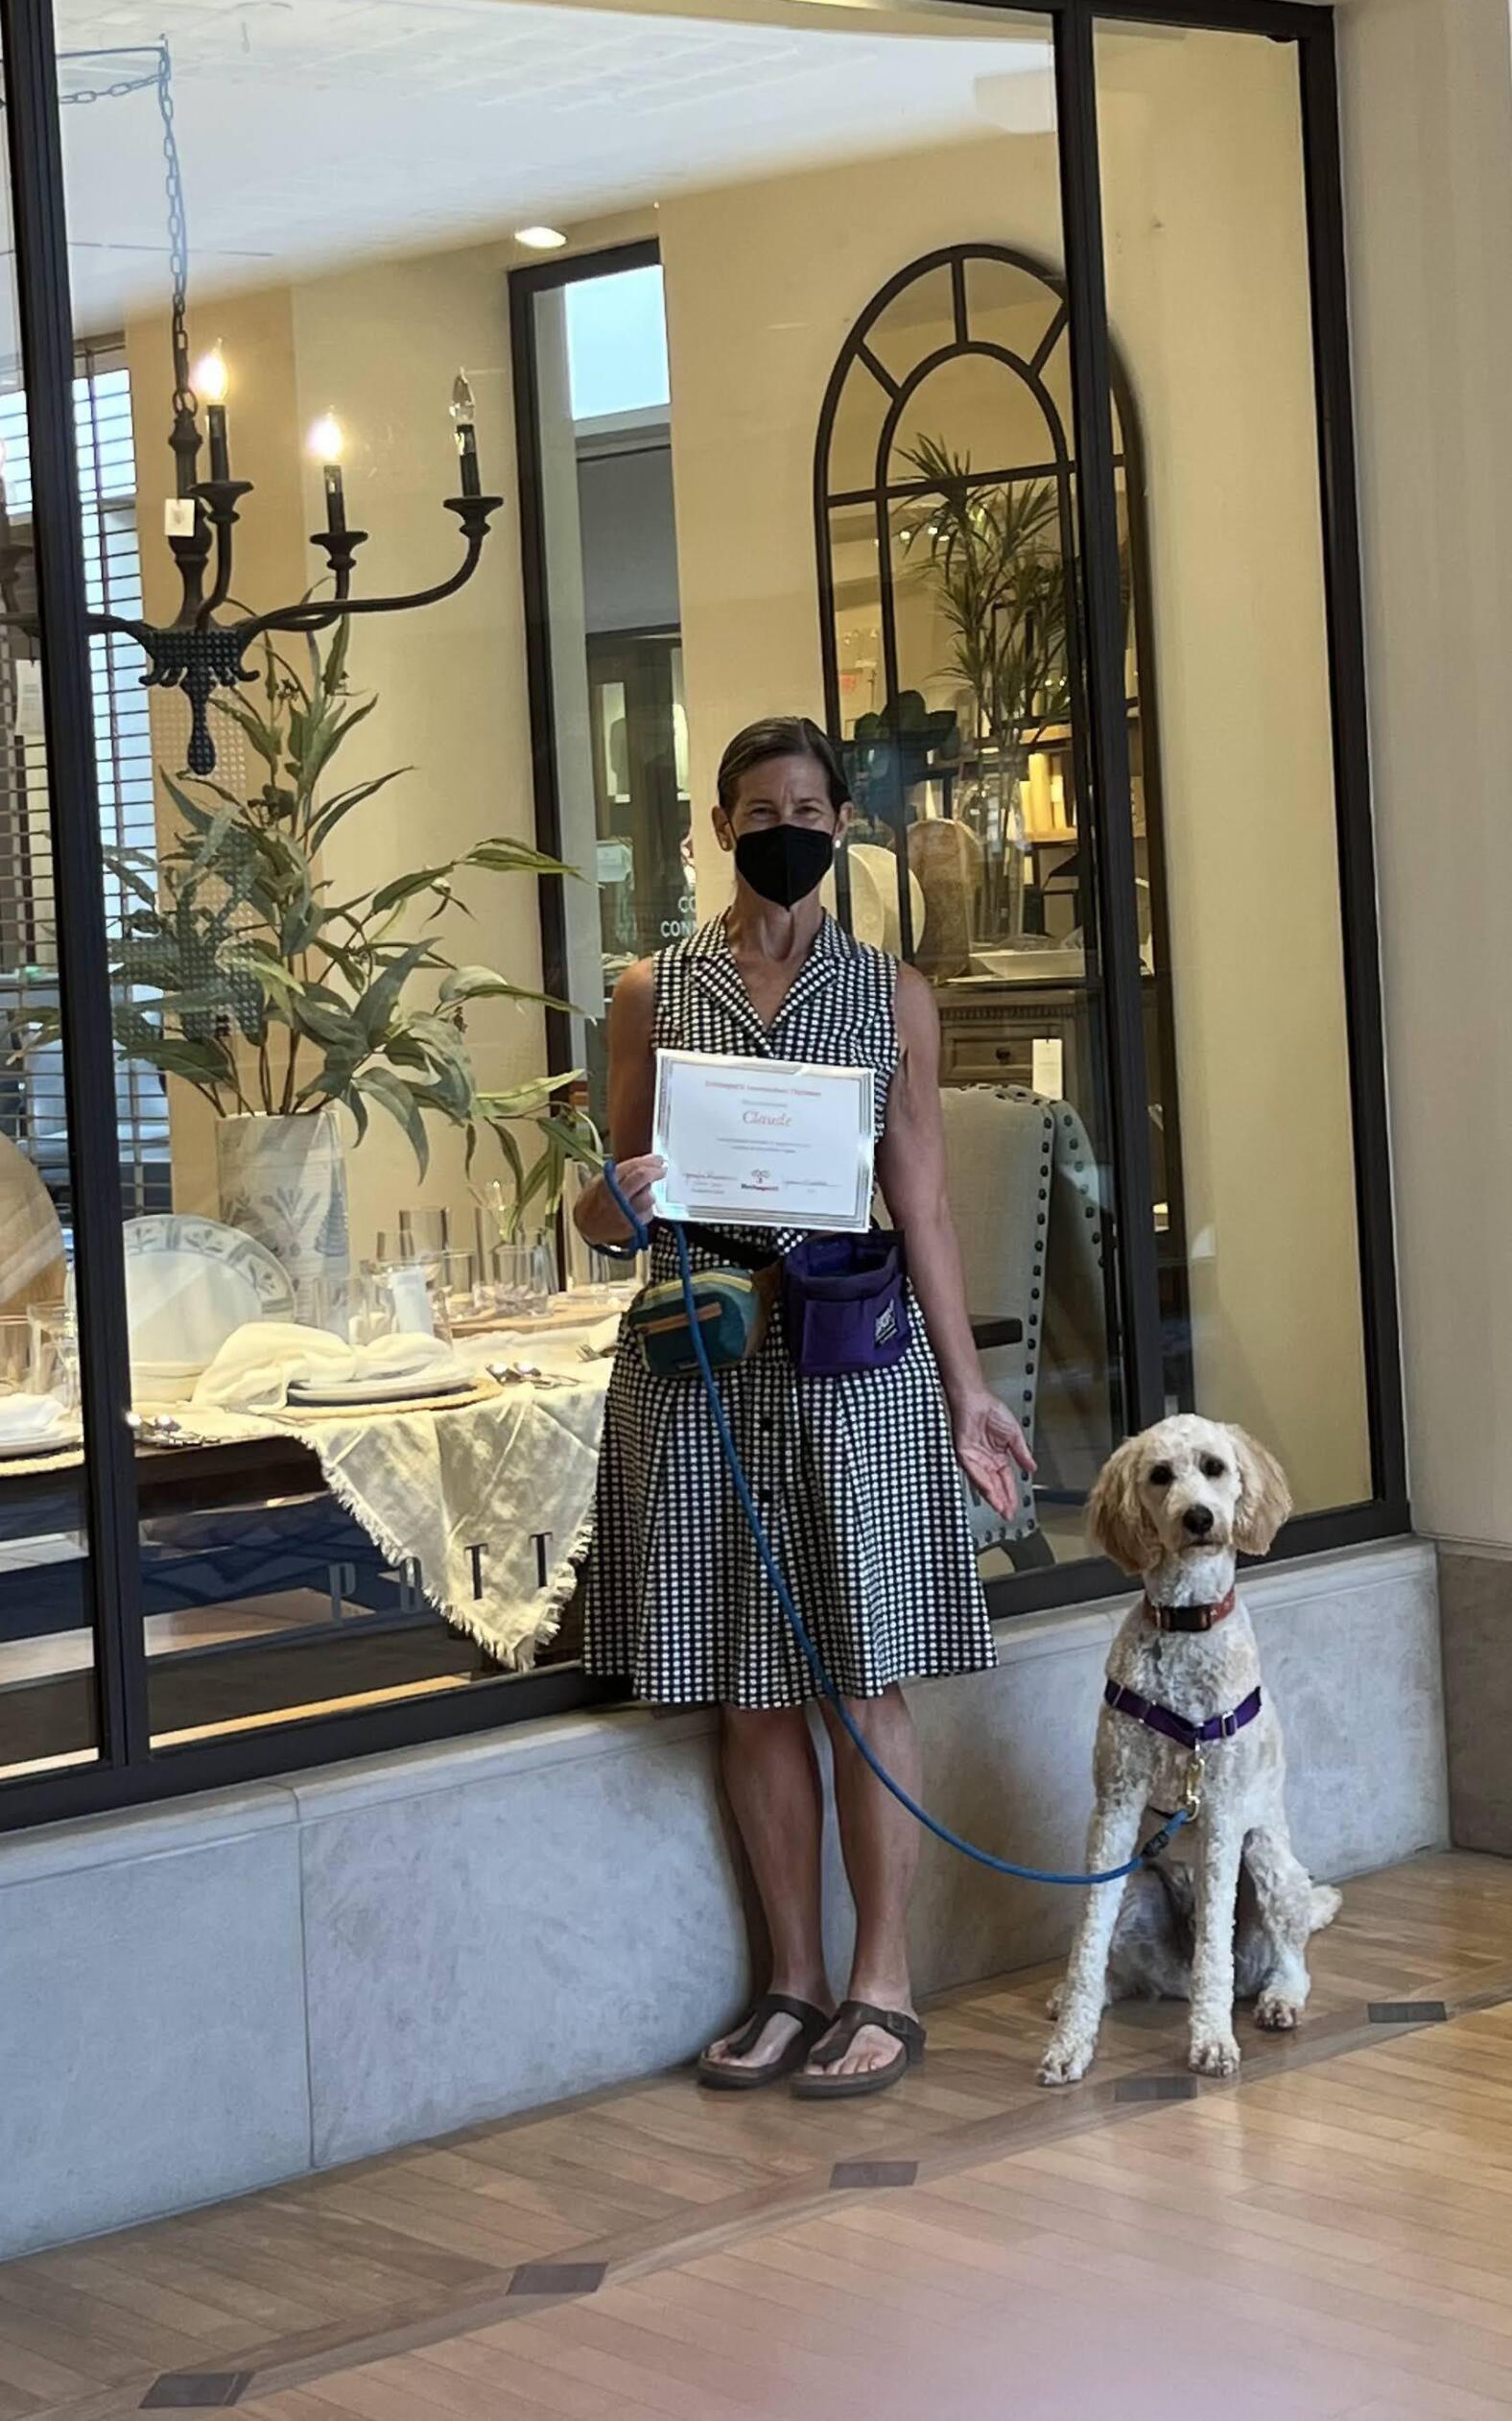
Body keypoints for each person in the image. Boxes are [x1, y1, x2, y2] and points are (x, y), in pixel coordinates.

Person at [577, 714, 1032, 2096]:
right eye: (757, 804)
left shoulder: (890, 992)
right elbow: (604, 1204)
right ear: (717, 825)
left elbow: (928, 1203)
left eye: (809, 806)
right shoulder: (654, 988)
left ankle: (882, 1984)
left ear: (841, 826)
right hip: (703, 1362)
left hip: (853, 1357)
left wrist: (969, 1394)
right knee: (747, 1688)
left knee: (860, 1673)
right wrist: (612, 1198)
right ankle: (792, 1977)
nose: (785, 825)